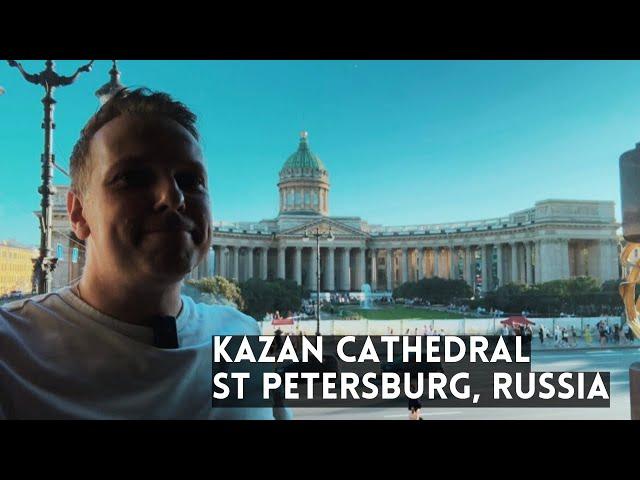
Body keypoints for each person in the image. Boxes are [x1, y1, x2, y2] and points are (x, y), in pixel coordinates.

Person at [0, 88, 289, 420]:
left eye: (191, 180)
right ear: (78, 213)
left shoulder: (243, 336)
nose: (173, 197)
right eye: (133, 178)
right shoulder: (10, 354)